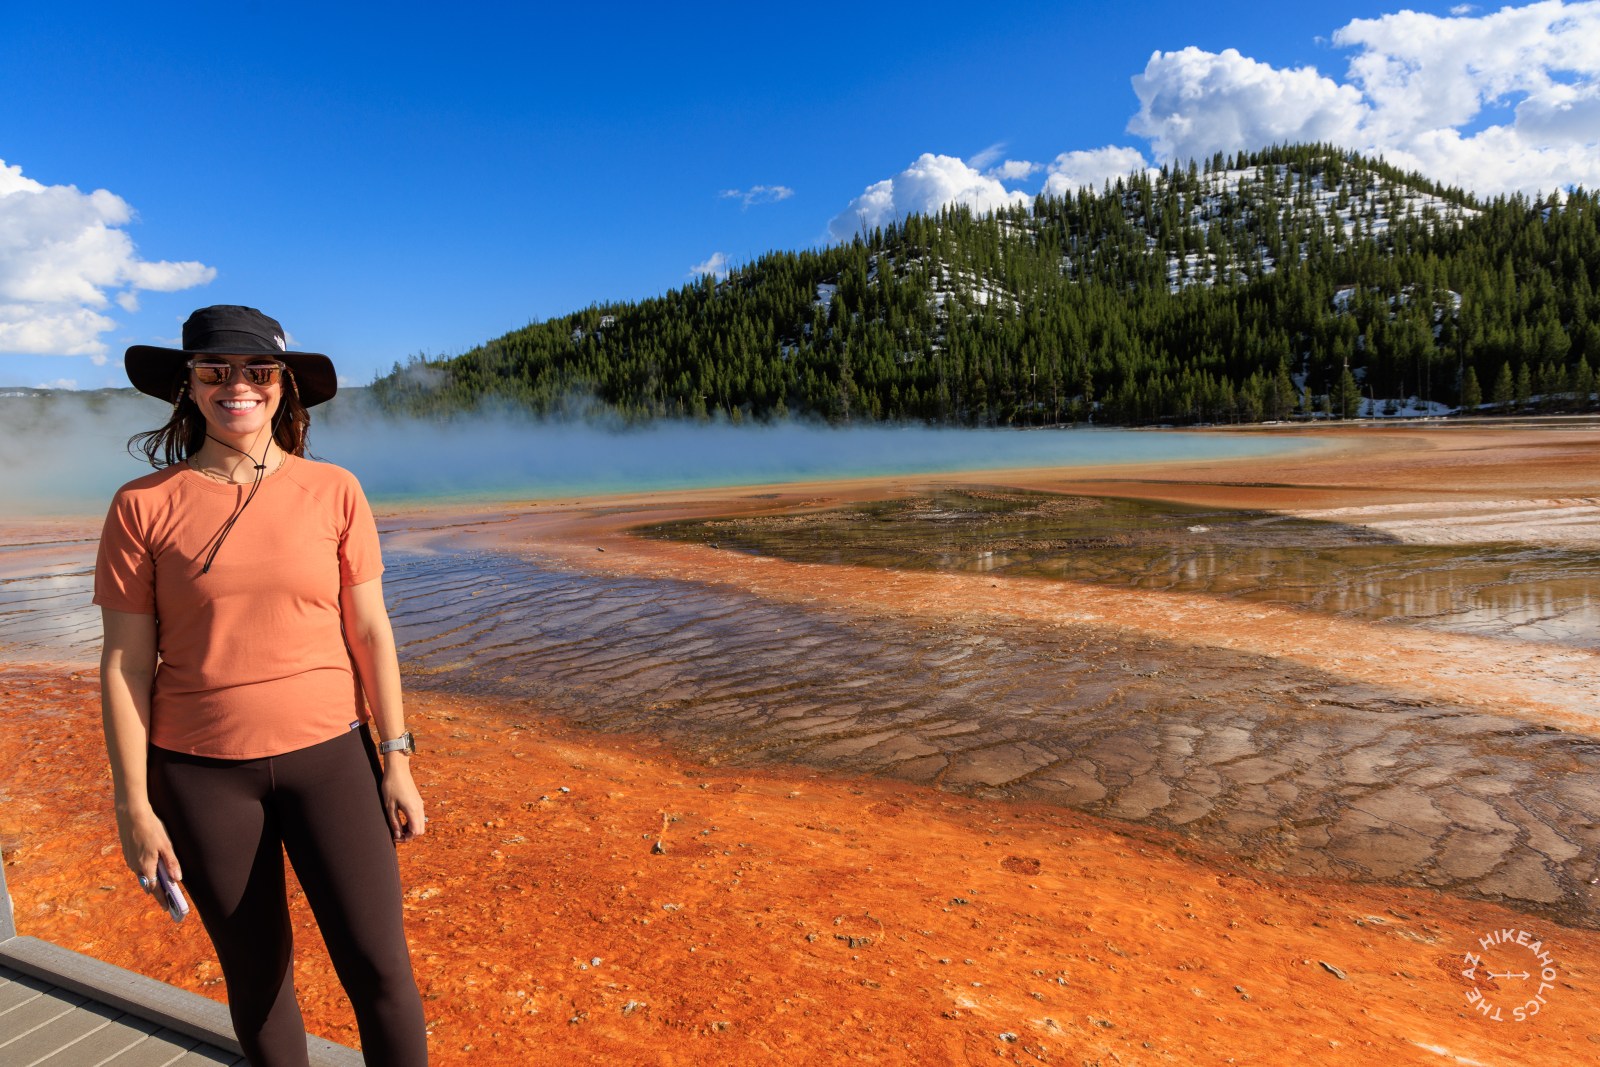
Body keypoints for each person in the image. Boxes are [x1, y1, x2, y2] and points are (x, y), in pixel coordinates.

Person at [95, 305, 429, 1066]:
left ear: (285, 386)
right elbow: (124, 665)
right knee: (259, 980)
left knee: (380, 970)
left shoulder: (334, 490)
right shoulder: (141, 506)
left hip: (333, 760)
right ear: (187, 386)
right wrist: (133, 806)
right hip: (201, 776)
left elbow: (370, 632)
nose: (236, 385)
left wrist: (398, 758)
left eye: (258, 370)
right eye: (214, 370)